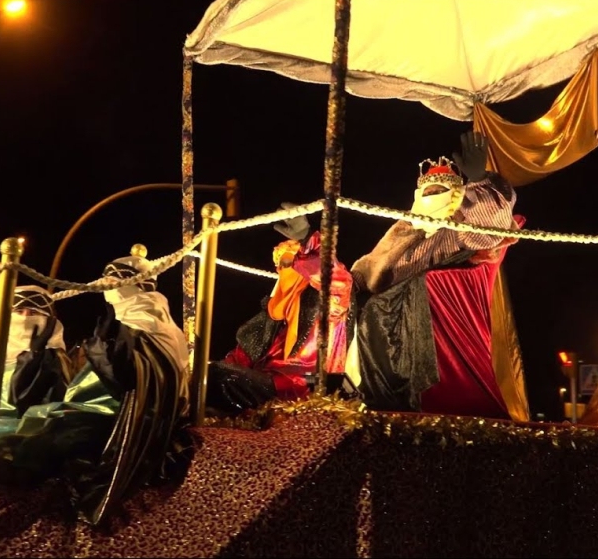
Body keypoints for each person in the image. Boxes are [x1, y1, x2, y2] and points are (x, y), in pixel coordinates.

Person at [0, 249, 191, 526]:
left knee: (35, 431)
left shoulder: (150, 320)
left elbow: (136, 377)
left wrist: (106, 354)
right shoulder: (124, 322)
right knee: (32, 425)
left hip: (118, 413)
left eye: (119, 281)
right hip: (90, 405)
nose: (111, 288)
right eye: (108, 281)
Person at [347, 131, 523, 417]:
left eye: (438, 191)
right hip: (388, 309)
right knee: (361, 310)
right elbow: (368, 268)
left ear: (456, 195)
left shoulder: (461, 227)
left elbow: (490, 230)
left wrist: (479, 181)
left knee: (378, 310)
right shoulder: (404, 229)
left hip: (429, 306)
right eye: (426, 193)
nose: (431, 197)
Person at [206, 204, 353, 416]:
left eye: (293, 261)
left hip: (303, 386)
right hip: (265, 382)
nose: (288, 268)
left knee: (220, 376)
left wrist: (306, 240)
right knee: (209, 377)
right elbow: (238, 359)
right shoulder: (271, 317)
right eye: (282, 263)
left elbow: (336, 281)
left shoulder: (327, 307)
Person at [0, 285, 74, 440]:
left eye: (34, 313)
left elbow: (26, 403)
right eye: (19, 311)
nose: (25, 318)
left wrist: (34, 357)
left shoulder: (53, 361)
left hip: (24, 439)